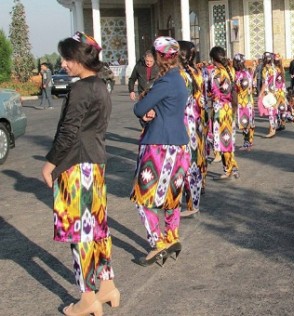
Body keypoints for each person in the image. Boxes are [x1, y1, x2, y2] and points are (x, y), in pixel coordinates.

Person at [42, 31, 119, 316]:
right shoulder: (100, 86)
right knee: (98, 229)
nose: (63, 63)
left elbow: (68, 132)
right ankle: (108, 284)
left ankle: (87, 297)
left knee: (80, 233)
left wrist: (50, 163)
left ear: (77, 58)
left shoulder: (80, 89)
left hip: (76, 166)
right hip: (95, 163)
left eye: (66, 58)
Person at [131, 36, 190, 266]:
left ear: (158, 57)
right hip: (179, 145)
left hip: (159, 146)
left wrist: (149, 108)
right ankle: (172, 235)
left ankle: (158, 242)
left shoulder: (164, 82)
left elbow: (139, 108)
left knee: (142, 197)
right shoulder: (180, 80)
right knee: (171, 196)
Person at [178, 40, 206, 219]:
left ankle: (189, 203)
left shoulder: (180, 75)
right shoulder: (196, 72)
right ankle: (193, 202)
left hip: (185, 122)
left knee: (186, 161)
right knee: (195, 160)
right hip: (198, 120)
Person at [207, 46, 240, 179]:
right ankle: (231, 167)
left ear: (214, 59)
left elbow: (214, 93)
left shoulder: (216, 73)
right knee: (227, 138)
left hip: (219, 110)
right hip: (230, 108)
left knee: (220, 139)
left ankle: (230, 168)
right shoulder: (231, 70)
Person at [233, 53, 256, 150]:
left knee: (244, 122)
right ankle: (249, 142)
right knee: (249, 121)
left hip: (243, 102)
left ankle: (247, 143)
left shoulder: (240, 74)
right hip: (249, 100)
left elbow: (241, 88)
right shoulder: (247, 72)